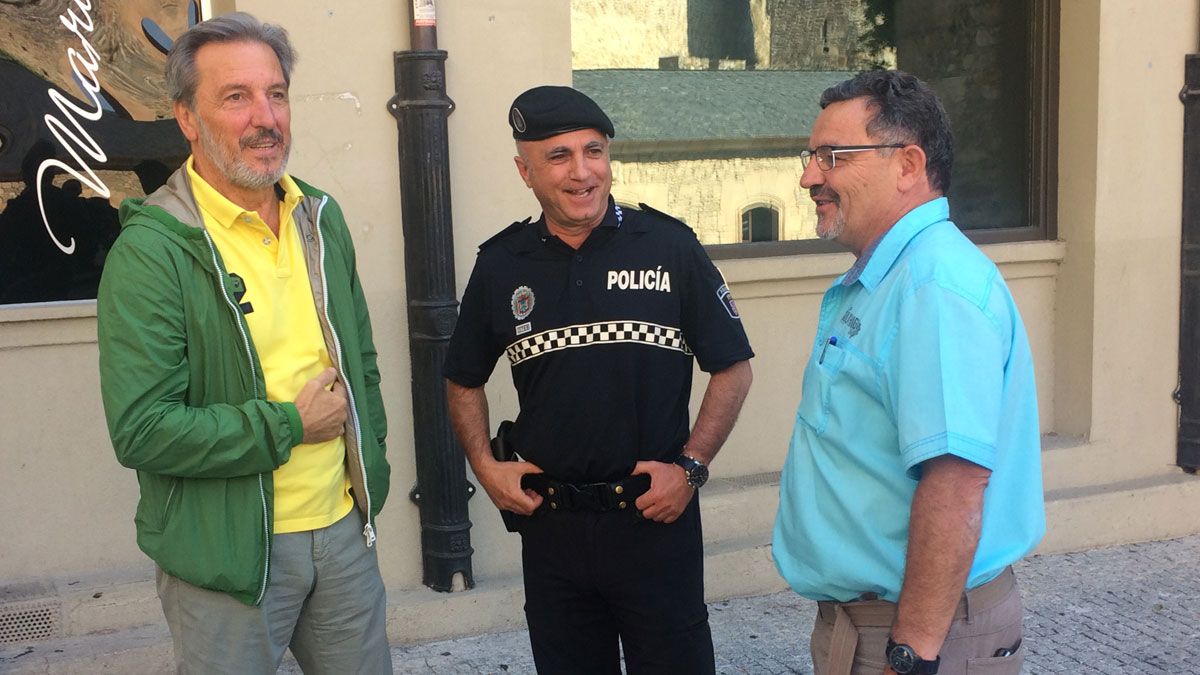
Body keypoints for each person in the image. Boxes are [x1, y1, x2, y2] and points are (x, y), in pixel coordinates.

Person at [97, 13, 391, 673]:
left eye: (276, 93)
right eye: (236, 97)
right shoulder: (154, 251)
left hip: (343, 532)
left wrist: (372, 469)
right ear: (187, 118)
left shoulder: (319, 218)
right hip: (230, 559)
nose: (266, 117)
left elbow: (361, 365)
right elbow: (142, 429)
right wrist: (288, 424)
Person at [443, 85, 754, 674]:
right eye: (558, 156)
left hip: (654, 522)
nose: (582, 172)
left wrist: (691, 469)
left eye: (594, 151)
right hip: (552, 528)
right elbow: (462, 380)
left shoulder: (668, 246)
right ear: (525, 171)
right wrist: (485, 467)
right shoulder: (502, 264)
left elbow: (733, 368)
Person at [772, 70, 1045, 675]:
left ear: (907, 164)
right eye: (811, 156)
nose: (810, 176)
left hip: (918, 635)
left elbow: (954, 483)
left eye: (833, 157)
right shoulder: (890, 277)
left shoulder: (932, 287)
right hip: (874, 625)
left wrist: (911, 654)